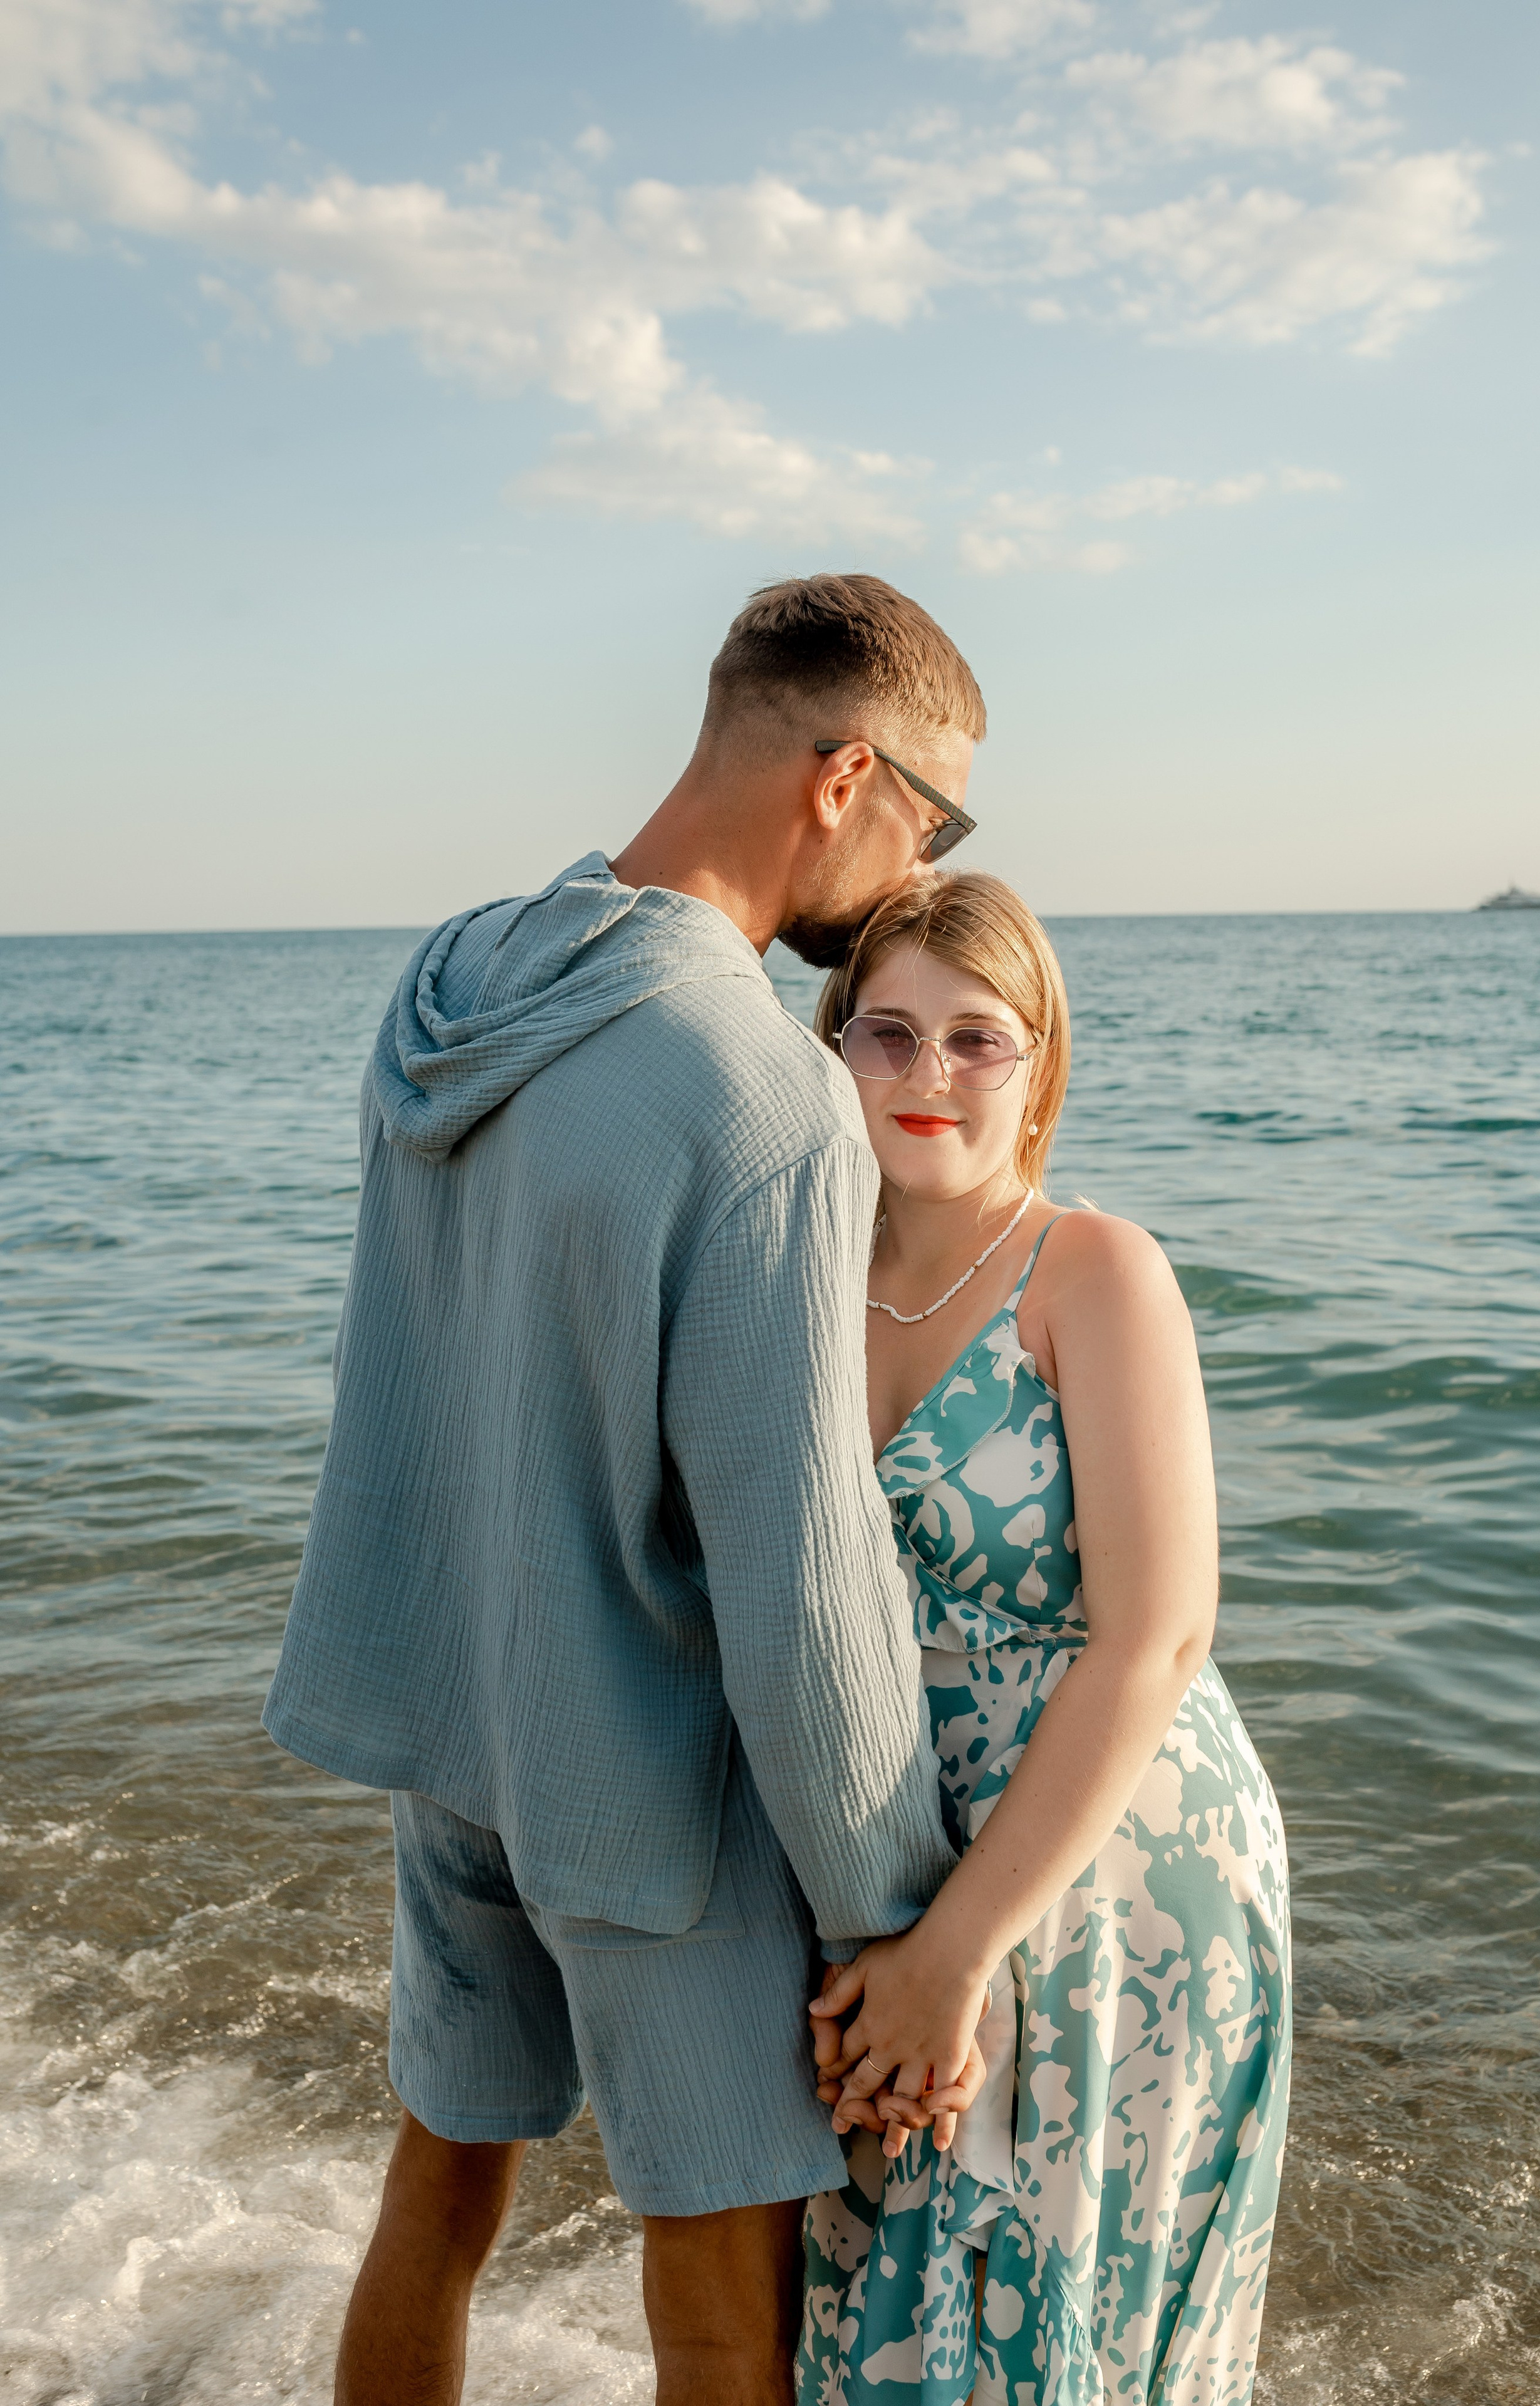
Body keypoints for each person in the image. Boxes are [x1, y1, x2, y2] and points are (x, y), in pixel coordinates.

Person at [261, 575, 995, 2406]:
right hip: (646, 1789)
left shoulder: (452, 979)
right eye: (936, 811)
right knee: (720, 2303)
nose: (924, 868)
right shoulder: (758, 1093)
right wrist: (891, 1918)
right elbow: (798, 1572)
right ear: (842, 777)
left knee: (435, 2200)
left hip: (460, 1742)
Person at [797, 874, 1292, 2405]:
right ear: (829, 1050)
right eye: (886, 1033)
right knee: (884, 2304)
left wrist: (955, 1951)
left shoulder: (1091, 1272)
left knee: (1055, 2315)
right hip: (889, 1845)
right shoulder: (796, 1279)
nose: (927, 1074)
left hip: (1111, 1859)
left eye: (974, 1038)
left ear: (1040, 1066)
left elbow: (1155, 1638)